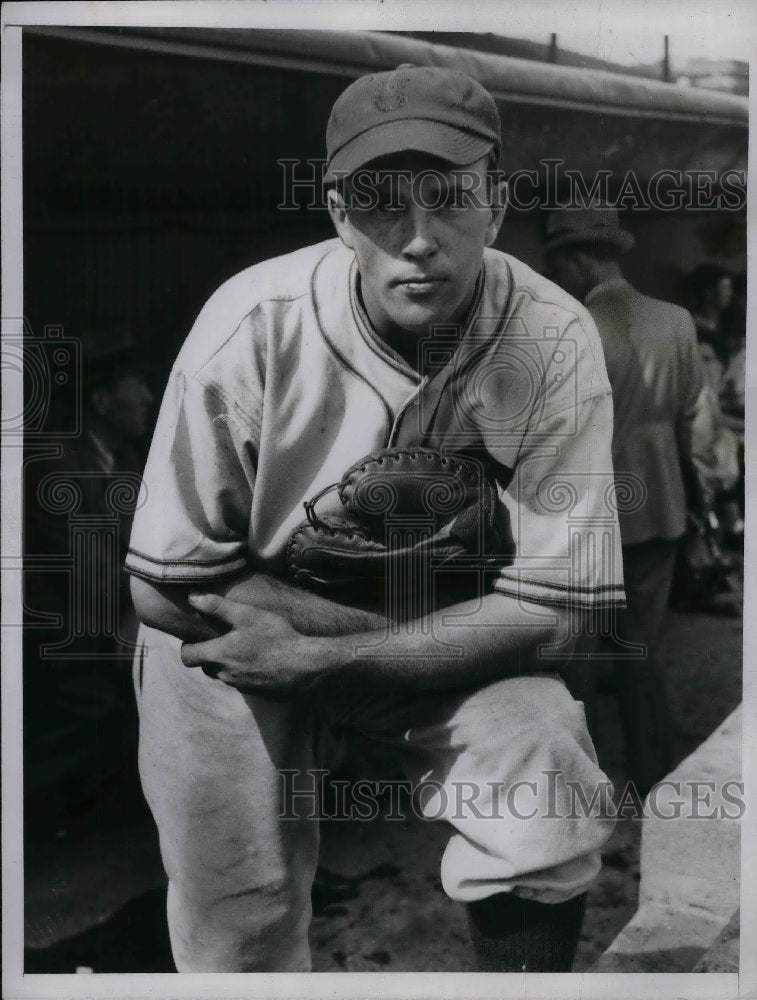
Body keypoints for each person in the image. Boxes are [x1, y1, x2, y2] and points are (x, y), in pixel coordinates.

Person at [126, 65, 625, 973]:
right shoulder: (252, 323)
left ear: (498, 204)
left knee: (541, 772)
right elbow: (168, 583)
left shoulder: (549, 338)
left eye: (449, 199)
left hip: (436, 636)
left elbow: (565, 607)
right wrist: (325, 646)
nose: (419, 238)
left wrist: (333, 653)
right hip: (234, 633)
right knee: (241, 911)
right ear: (336, 213)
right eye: (381, 202)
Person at [542, 207, 712, 791]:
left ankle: (577, 790)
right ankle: (652, 779)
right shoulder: (678, 320)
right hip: (661, 502)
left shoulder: (569, 325)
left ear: (574, 258)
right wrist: (695, 504)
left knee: (578, 654)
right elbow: (696, 426)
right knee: (642, 648)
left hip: (589, 513)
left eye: (557, 263)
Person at [24, 344, 154, 827]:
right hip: (65, 632)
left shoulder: (123, 462)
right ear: (101, 401)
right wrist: (140, 608)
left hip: (107, 617)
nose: (148, 397)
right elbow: (90, 575)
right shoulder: (56, 465)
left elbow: (152, 547)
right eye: (136, 385)